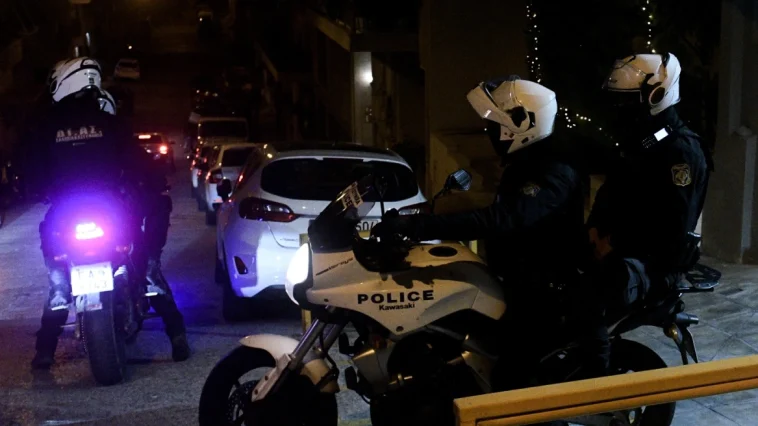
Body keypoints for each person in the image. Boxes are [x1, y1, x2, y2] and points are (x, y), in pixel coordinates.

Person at [371, 76, 588, 390]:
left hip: (544, 291)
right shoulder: (527, 163)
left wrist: (421, 227)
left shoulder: (554, 172)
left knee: (509, 379)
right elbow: (488, 206)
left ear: (522, 124)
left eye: (495, 126)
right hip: (515, 278)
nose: (490, 133)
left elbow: (503, 218)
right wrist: (425, 214)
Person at [27, 57, 190, 369]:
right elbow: (138, 163)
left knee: (58, 282)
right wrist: (154, 180)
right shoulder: (110, 124)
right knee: (146, 269)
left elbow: (31, 170)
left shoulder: (46, 127)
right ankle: (177, 333)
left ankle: (45, 347)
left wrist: (30, 188)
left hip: (67, 215)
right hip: (109, 213)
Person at [580, 52, 712, 376]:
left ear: (656, 95)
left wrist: (615, 242)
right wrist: (595, 227)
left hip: (655, 264)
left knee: (587, 300)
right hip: (622, 249)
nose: (620, 109)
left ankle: (594, 386)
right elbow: (613, 190)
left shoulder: (680, 150)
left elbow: (670, 224)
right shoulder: (646, 141)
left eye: (627, 101)